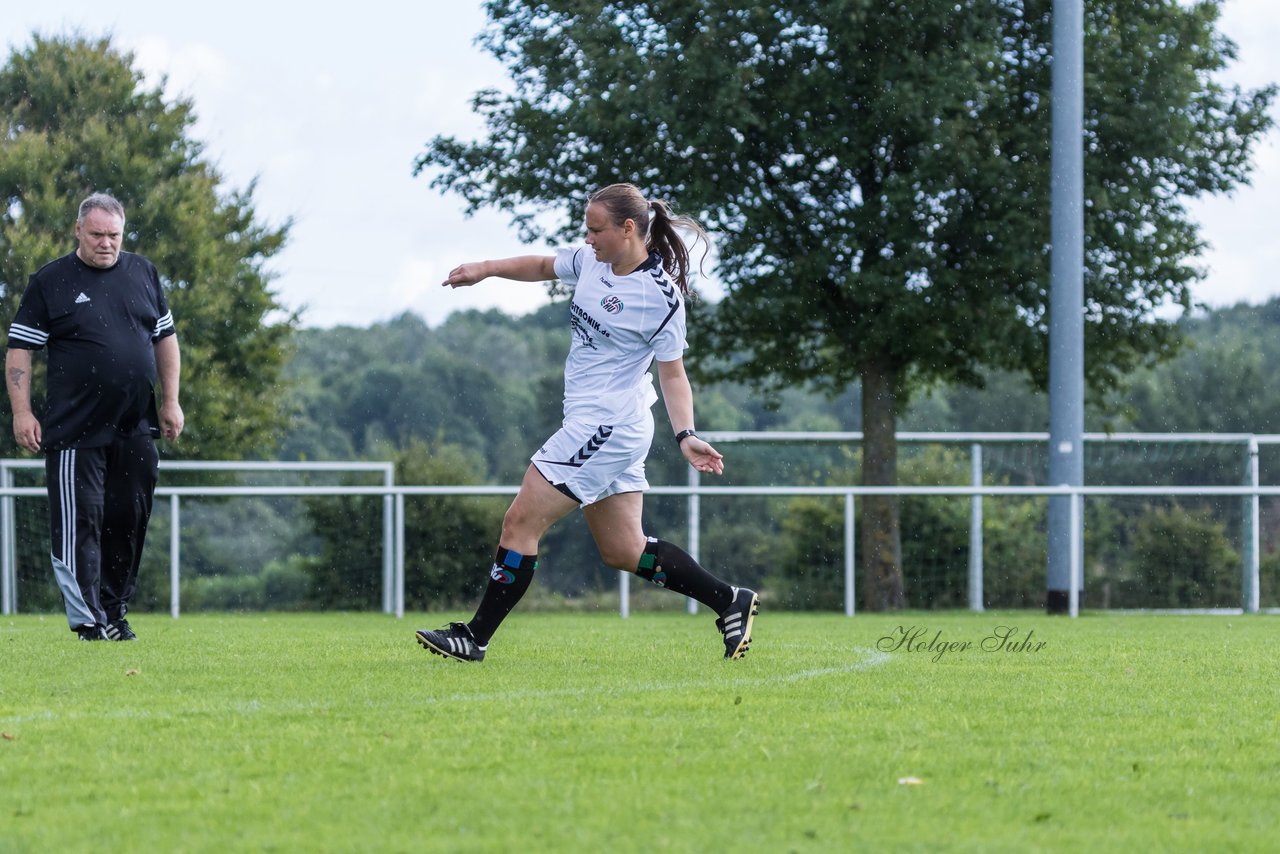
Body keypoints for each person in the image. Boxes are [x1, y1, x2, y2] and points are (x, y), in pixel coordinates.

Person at [416, 183, 757, 662]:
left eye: (597, 230)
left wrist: (686, 435)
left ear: (629, 228)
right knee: (623, 549)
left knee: (519, 522)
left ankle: (475, 637)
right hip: (604, 424)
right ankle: (729, 600)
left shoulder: (660, 297)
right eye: (587, 231)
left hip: (607, 426)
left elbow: (673, 373)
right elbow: (541, 266)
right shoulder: (592, 262)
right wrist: (486, 270)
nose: (589, 239)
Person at [5, 192, 184, 641]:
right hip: (74, 429)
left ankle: (114, 614)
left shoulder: (143, 272)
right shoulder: (51, 281)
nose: (107, 243)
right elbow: (21, 348)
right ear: (78, 231)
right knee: (79, 525)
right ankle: (88, 622)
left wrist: (170, 400)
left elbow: (165, 339)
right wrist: (22, 413)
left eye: (115, 235)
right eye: (98, 234)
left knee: (128, 520)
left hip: (135, 426)